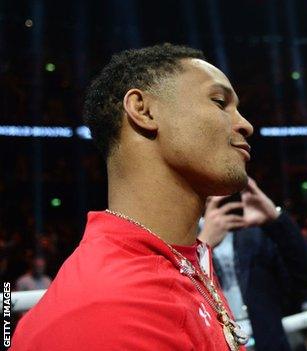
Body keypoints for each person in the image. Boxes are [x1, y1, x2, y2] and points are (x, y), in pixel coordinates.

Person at [12, 43, 254, 350]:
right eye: (220, 102)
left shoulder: (186, 260)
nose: (245, 124)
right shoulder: (101, 316)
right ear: (143, 110)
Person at [198, 177, 307, 351]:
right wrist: (203, 245)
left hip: (268, 342)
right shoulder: (183, 240)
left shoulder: (255, 234)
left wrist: (277, 219)